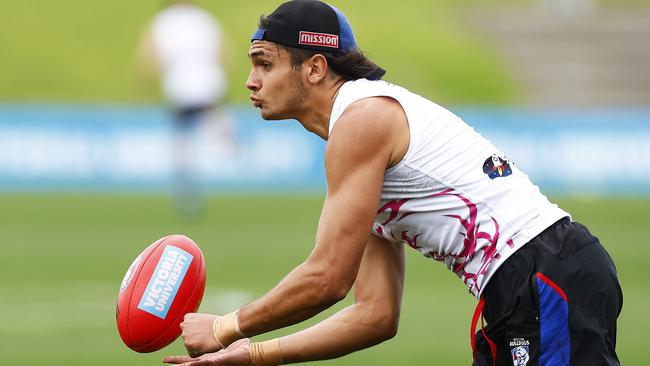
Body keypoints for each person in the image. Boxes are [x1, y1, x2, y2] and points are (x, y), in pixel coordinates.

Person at [163, 1, 622, 365]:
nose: (250, 82)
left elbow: (327, 278)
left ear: (316, 68)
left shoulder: (363, 122)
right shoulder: (358, 141)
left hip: (543, 275)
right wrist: (254, 355)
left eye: (264, 64)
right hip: (536, 279)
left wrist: (226, 327)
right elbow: (375, 314)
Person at [137, 0, 231, 216]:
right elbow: (224, 51)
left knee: (183, 143)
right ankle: (231, 158)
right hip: (210, 87)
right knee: (215, 132)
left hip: (181, 89)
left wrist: (146, 84)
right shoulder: (204, 18)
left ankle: (188, 193)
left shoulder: (163, 21)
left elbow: (150, 54)